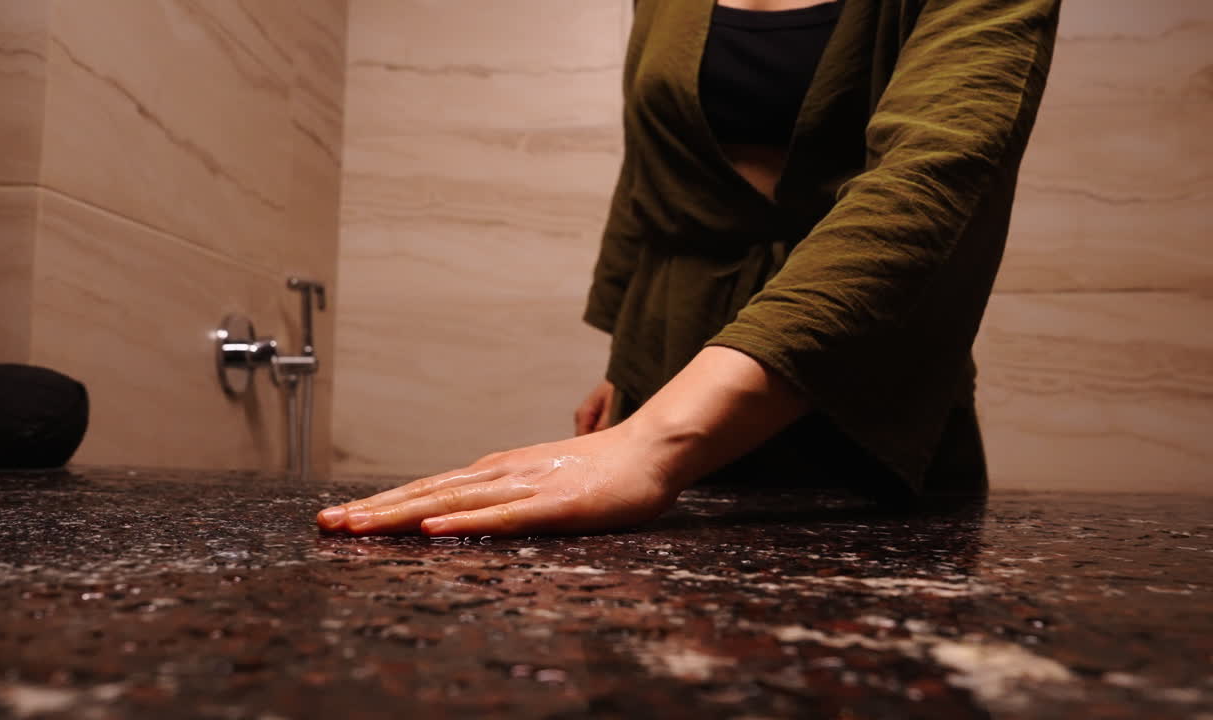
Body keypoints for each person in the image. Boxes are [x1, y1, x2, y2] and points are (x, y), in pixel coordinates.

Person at [318, 0, 1061, 536]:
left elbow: (938, 175)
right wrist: (624, 359)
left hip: (866, 374)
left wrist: (655, 443)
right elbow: (652, 169)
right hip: (668, 356)